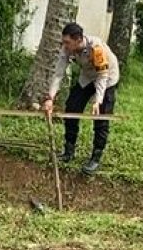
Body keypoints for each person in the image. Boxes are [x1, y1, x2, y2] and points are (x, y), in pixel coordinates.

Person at [42, 23, 119, 175]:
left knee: (101, 117)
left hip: (107, 77)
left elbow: (102, 76)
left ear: (78, 40)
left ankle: (95, 158)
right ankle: (69, 150)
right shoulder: (67, 49)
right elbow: (58, 73)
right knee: (72, 107)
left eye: (67, 42)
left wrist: (97, 101)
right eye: (63, 42)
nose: (64, 45)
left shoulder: (96, 48)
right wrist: (50, 97)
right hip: (88, 77)